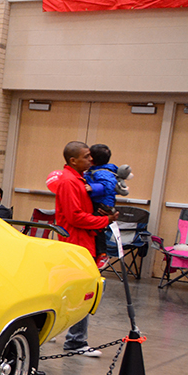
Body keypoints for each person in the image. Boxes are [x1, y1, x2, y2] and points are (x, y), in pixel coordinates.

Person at [48, 141, 118, 357]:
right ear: (73, 160)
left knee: (74, 291)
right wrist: (104, 220)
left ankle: (62, 334)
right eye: (87, 157)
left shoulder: (81, 179)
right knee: (84, 292)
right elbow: (74, 217)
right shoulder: (69, 182)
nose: (91, 160)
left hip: (84, 242)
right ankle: (76, 342)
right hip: (76, 244)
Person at [86, 143, 123, 265]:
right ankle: (99, 254)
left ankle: (102, 254)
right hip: (99, 203)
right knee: (95, 230)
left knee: (96, 230)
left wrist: (92, 188)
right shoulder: (96, 170)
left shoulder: (103, 172)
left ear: (92, 159)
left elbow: (107, 186)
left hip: (102, 205)